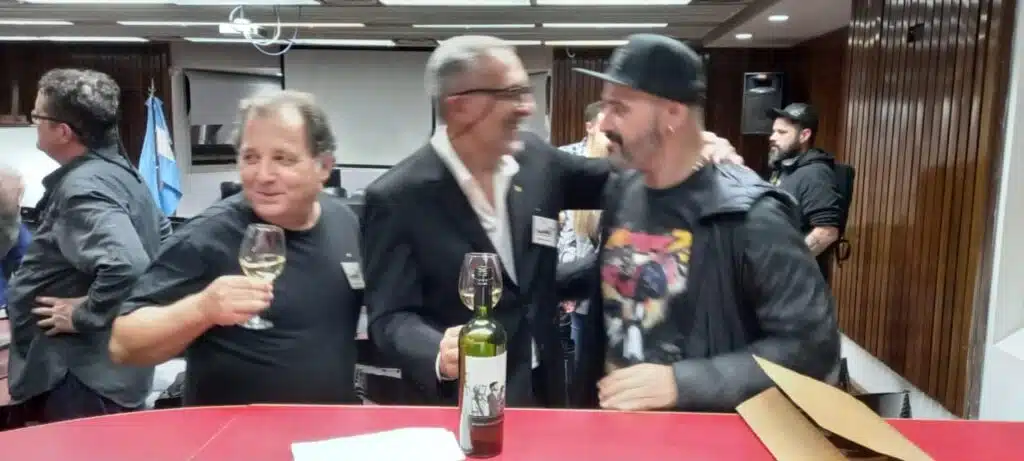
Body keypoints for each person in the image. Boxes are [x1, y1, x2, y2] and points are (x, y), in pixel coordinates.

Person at [362, 35, 742, 409]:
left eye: (524, 92)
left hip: (546, 391)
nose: (526, 107)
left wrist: (690, 149)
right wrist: (436, 349)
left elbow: (617, 180)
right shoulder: (397, 197)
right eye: (510, 94)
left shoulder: (535, 160)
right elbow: (390, 318)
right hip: (462, 401)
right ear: (460, 106)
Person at [566, 34, 840, 412]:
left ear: (673, 114)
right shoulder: (623, 191)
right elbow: (618, 270)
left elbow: (813, 348)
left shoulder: (752, 215)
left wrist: (685, 383)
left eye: (620, 108)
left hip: (702, 434)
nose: (604, 122)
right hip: (612, 426)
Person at [109, 90, 364, 406]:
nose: (263, 176)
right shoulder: (207, 235)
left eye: (283, 159)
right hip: (234, 433)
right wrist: (202, 309)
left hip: (327, 428)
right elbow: (123, 344)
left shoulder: (344, 221)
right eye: (250, 158)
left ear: (323, 166)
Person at [5, 68, 171, 423]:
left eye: (37, 116)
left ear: (63, 131)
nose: (34, 123)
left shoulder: (83, 188)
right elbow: (165, 237)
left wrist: (84, 314)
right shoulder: (124, 174)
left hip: (81, 379)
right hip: (108, 373)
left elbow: (128, 264)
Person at [766, 103, 844, 281]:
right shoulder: (784, 170)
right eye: (773, 131)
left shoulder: (815, 174)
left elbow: (826, 232)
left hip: (797, 284)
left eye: (782, 132)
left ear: (804, 135)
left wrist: (784, 267)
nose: (773, 137)